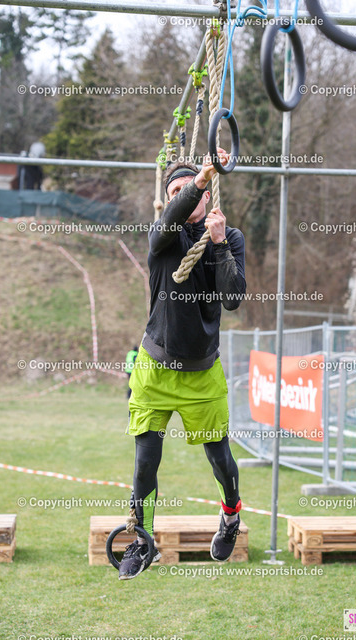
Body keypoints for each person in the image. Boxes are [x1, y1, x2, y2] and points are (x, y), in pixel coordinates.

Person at [119, 148, 246, 580]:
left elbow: (232, 297)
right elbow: (170, 219)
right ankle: (142, 540)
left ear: (209, 197)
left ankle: (230, 515)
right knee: (145, 463)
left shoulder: (229, 237)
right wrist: (199, 179)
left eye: (188, 189)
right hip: (155, 368)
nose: (182, 196)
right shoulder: (163, 236)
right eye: (175, 191)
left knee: (221, 460)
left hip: (202, 372)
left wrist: (219, 244)